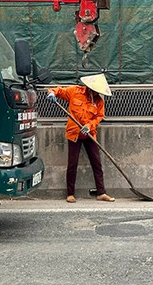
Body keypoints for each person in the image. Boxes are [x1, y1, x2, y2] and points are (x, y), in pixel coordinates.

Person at [46, 74, 115, 203]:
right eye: (95, 91)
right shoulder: (75, 91)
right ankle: (70, 194)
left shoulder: (99, 102)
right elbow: (59, 90)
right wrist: (52, 93)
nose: (96, 94)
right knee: (73, 163)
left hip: (89, 134)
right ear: (90, 87)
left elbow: (99, 117)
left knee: (97, 163)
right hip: (74, 134)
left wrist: (89, 126)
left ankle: (101, 192)